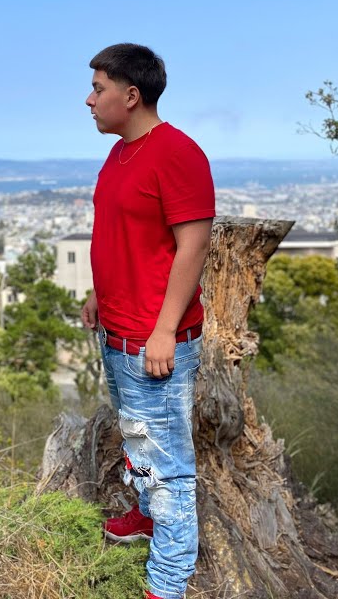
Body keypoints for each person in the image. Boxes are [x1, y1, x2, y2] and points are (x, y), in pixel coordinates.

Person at [80, 43, 215, 599]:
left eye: (99, 89)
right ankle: (147, 519)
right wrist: (99, 293)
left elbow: (194, 246)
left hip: (153, 340)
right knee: (139, 445)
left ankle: (167, 584)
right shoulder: (119, 154)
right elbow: (125, 235)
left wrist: (164, 330)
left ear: (131, 96)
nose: (89, 100)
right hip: (118, 331)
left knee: (169, 469)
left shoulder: (177, 153)